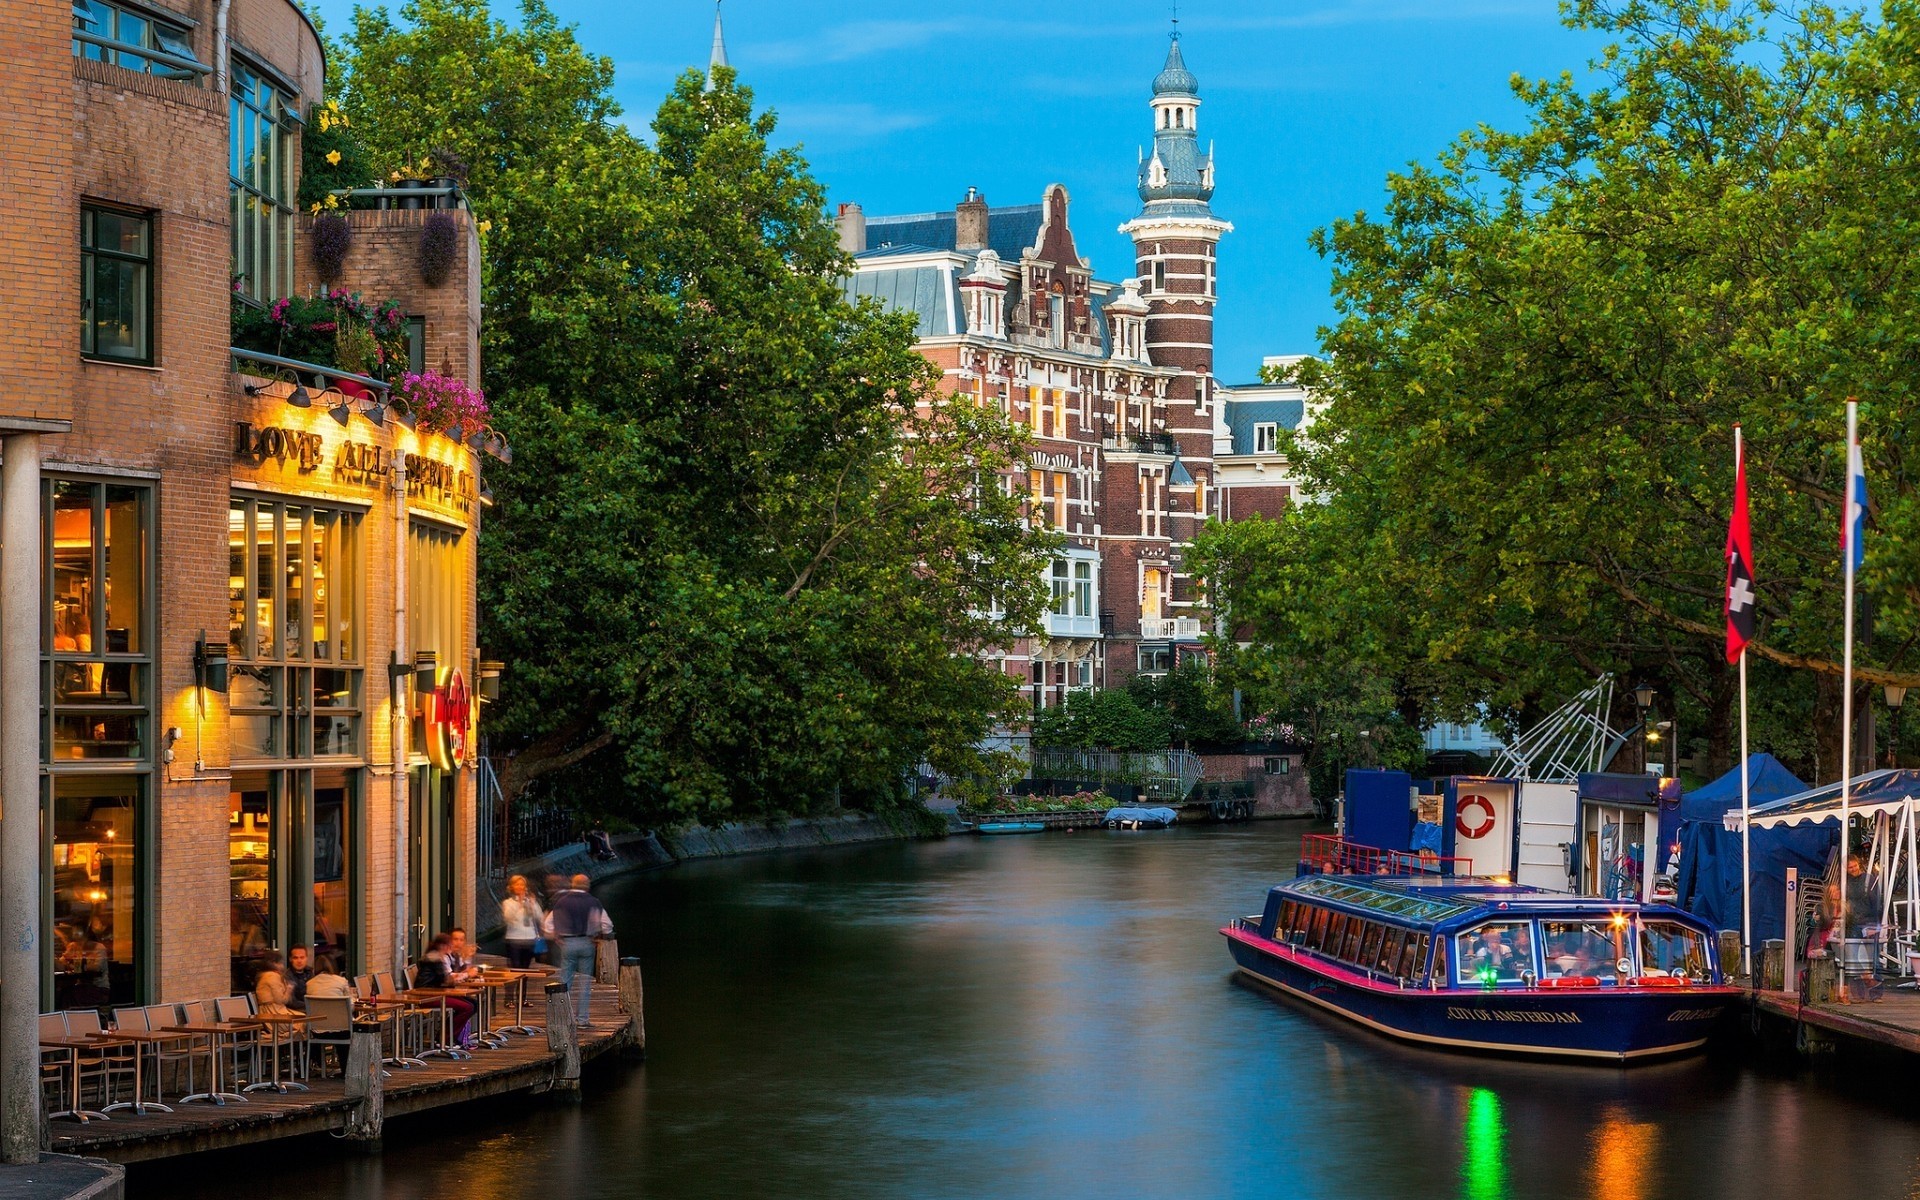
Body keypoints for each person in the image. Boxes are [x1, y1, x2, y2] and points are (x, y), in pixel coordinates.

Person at [544, 873, 614, 1025]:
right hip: (587, 943)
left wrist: (557, 936)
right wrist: (601, 935)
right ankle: (582, 1019)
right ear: (587, 886)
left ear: (572, 885)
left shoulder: (562, 902)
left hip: (567, 943)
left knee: (565, 981)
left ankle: (563, 1017)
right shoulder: (593, 902)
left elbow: (548, 925)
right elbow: (607, 925)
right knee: (585, 982)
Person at [414, 933, 475, 1045]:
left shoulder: (438, 957)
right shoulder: (434, 958)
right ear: (443, 946)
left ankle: (450, 1035)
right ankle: (447, 1038)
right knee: (467, 1007)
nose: (451, 947)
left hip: (436, 993)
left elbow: (446, 978)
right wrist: (466, 975)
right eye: (450, 944)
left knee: (472, 1003)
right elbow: (446, 980)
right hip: (427, 996)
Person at [501, 875, 545, 969]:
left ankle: (523, 984)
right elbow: (508, 917)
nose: (520, 887)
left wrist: (533, 905)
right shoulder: (508, 902)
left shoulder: (530, 901)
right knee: (516, 968)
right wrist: (519, 904)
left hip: (530, 939)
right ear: (512, 887)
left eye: (522, 885)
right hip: (514, 940)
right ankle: (517, 984)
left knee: (525, 968)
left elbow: (540, 917)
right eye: (517, 884)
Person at [254, 950, 295, 1016]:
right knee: (304, 1022)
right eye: (281, 963)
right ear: (274, 963)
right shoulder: (273, 976)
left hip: (269, 1010)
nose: (283, 966)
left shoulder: (265, 975)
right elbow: (280, 1000)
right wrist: (288, 990)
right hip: (273, 1012)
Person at [284, 944, 315, 1012]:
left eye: (302, 957)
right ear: (290, 959)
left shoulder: (310, 972)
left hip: (311, 1009)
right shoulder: (287, 976)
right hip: (296, 1011)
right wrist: (309, 1005)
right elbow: (291, 1001)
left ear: (306, 958)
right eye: (296, 958)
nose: (299, 961)